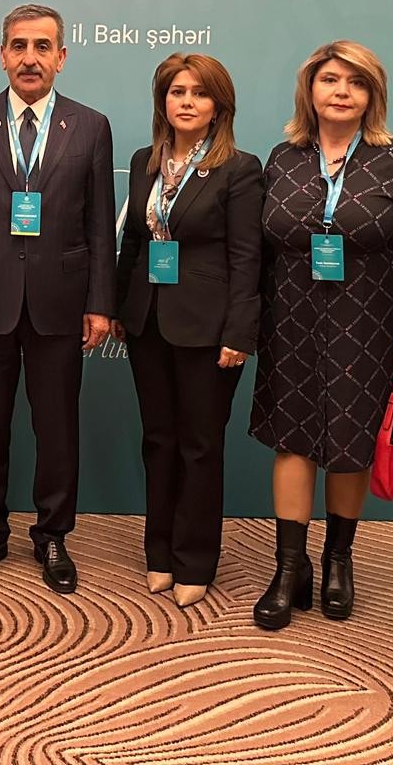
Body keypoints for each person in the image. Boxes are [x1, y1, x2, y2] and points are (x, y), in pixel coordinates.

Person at [249, 41, 393, 630]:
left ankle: (338, 560)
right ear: (310, 90)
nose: (341, 91)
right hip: (290, 318)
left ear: (372, 95)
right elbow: (260, 249)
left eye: (356, 82)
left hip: (369, 321)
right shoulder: (283, 158)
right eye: (330, 79)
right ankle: (288, 568)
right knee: (293, 441)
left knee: (351, 442)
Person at [0, 3, 115, 595]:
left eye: (42, 47)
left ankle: (53, 535)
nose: (29, 58)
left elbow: (99, 225)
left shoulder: (90, 126)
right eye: (18, 46)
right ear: (2, 55)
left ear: (62, 57)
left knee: (57, 430)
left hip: (61, 301)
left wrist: (100, 302)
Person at [113, 54, 262, 609]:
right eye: (177, 92)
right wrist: (118, 307)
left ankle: (195, 559)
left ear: (218, 106)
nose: (187, 102)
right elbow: (134, 242)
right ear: (163, 101)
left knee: (200, 445)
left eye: (199, 93)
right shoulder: (144, 161)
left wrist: (240, 332)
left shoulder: (239, 169)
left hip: (209, 328)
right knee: (158, 440)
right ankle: (159, 552)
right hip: (147, 320)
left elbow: (247, 258)